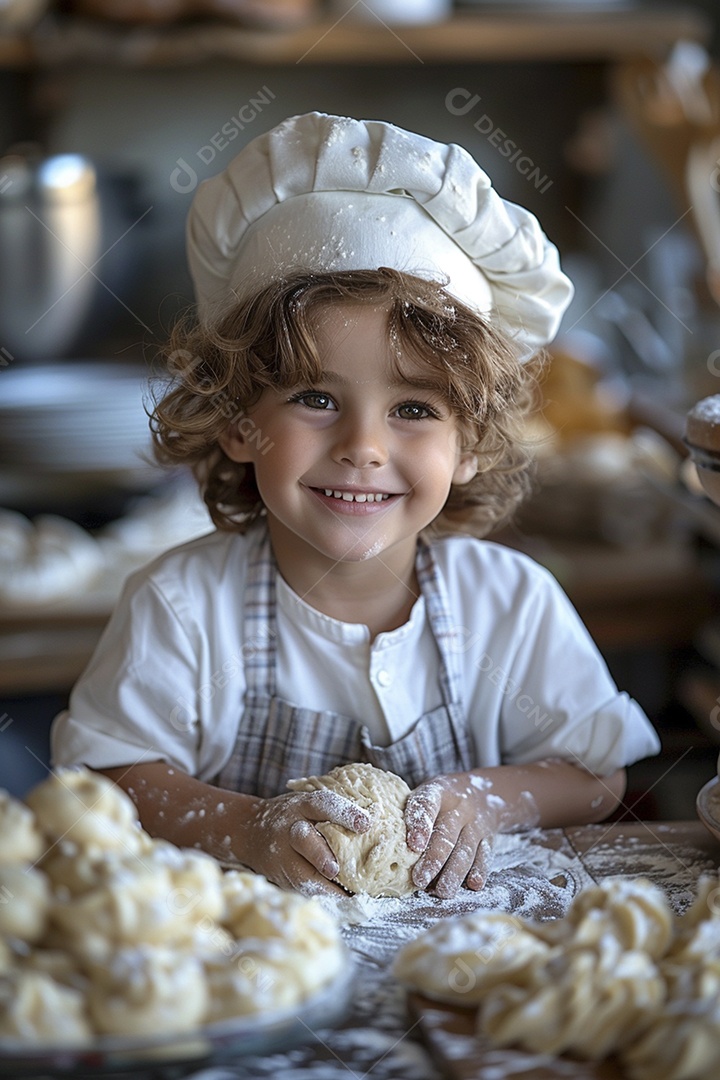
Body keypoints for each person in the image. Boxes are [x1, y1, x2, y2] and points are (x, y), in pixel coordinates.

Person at [51, 112, 660, 899]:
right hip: (248, 954)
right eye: (315, 398)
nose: (363, 447)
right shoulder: (184, 607)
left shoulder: (509, 604)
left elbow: (596, 773)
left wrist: (487, 799)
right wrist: (249, 827)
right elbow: (109, 777)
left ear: (470, 445)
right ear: (238, 420)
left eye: (414, 409)